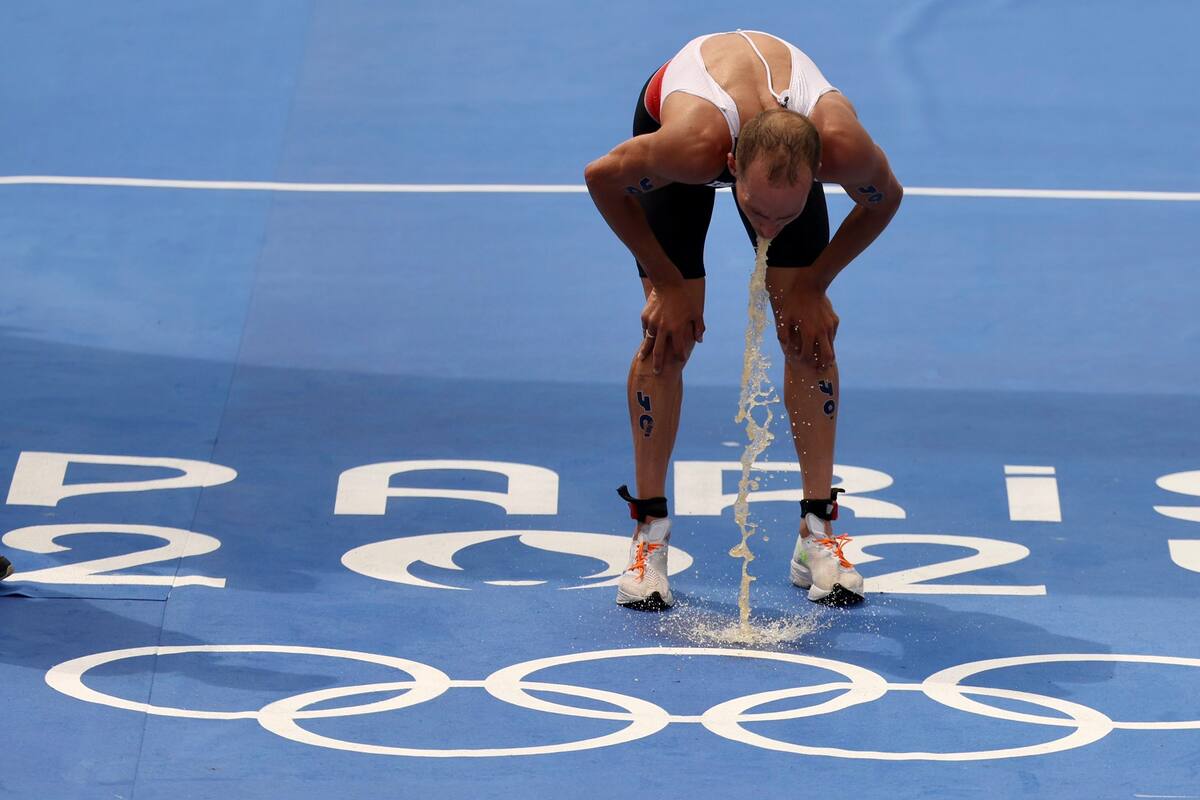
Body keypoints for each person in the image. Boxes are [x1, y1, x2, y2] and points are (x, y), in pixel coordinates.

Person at [584, 30, 902, 609]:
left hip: (778, 141)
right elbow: (601, 179)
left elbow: (887, 197)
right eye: (755, 211)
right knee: (669, 336)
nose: (769, 228)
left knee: (809, 332)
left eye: (788, 211)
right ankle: (647, 539)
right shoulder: (690, 148)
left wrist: (814, 283)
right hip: (689, 126)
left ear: (817, 173)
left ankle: (817, 534)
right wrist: (667, 282)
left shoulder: (843, 145)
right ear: (730, 170)